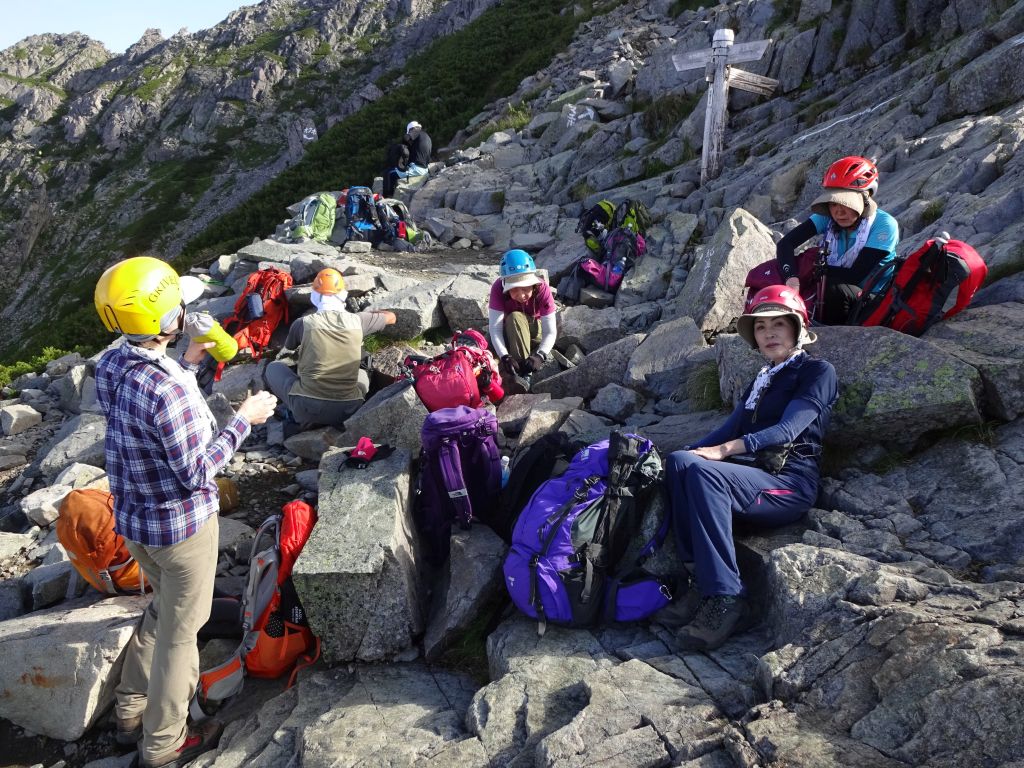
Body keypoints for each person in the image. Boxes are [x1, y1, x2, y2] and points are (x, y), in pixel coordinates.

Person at [94, 256, 277, 768]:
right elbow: (197, 472)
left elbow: (151, 412)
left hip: (134, 522)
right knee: (182, 631)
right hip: (180, 529)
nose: (182, 312)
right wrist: (245, 419)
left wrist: (192, 361)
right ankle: (164, 743)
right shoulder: (167, 387)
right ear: (161, 320)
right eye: (176, 306)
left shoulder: (112, 364)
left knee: (161, 610)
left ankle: (130, 710)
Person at [657, 286, 838, 651]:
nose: (769, 333)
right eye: (760, 327)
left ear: (797, 328)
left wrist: (724, 451)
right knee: (680, 463)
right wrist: (681, 455)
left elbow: (787, 430)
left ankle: (726, 597)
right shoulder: (763, 378)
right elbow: (728, 428)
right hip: (753, 475)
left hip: (790, 483)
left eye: (778, 325)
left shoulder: (817, 371)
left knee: (706, 473)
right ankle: (699, 582)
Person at [264, 268, 396, 427]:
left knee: (273, 368)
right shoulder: (358, 320)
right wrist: (371, 314)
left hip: (307, 410)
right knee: (362, 371)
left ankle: (294, 412)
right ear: (342, 295)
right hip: (348, 409)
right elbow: (392, 317)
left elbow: (289, 350)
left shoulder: (302, 323)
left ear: (314, 296)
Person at [775, 155, 900, 325]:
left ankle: (831, 336)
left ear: (865, 199)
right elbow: (785, 244)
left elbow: (855, 276)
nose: (839, 212)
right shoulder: (826, 217)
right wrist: (791, 277)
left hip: (870, 296)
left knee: (834, 286)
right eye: (833, 203)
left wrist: (815, 271)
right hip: (832, 288)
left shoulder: (884, 225)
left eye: (847, 204)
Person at [488, 249, 557, 394]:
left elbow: (550, 331)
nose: (521, 295)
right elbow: (495, 329)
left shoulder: (542, 289)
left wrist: (540, 355)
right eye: (514, 290)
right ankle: (515, 369)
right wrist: (505, 357)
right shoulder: (498, 288)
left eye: (526, 288)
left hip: (533, 330)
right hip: (512, 329)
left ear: (533, 284)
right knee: (501, 331)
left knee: (515, 317)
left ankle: (524, 373)